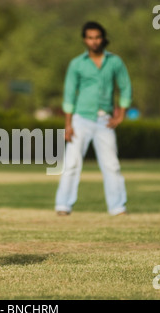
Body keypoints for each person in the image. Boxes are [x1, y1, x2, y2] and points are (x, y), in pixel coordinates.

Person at [55, 21, 132, 216]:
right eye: (90, 38)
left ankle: (117, 207)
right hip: (80, 119)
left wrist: (120, 115)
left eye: (97, 37)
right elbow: (69, 94)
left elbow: (125, 87)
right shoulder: (77, 64)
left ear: (103, 38)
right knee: (71, 163)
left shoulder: (115, 62)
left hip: (104, 120)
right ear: (84, 40)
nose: (94, 41)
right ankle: (63, 205)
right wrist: (68, 124)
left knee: (112, 165)